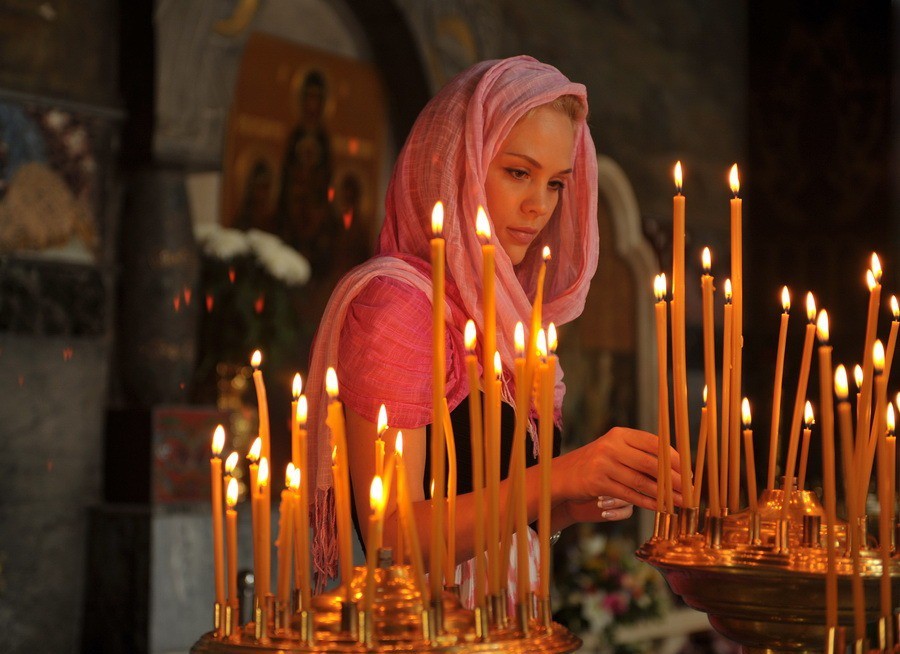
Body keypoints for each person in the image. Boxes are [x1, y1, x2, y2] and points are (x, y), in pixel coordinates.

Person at [305, 56, 682, 601]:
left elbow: (496, 506)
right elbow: (394, 540)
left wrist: (568, 505)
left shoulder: (504, 314)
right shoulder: (400, 306)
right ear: (457, 162)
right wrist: (564, 475)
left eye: (556, 183)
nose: (539, 206)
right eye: (517, 172)